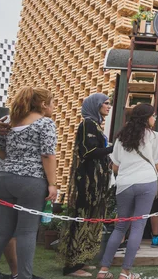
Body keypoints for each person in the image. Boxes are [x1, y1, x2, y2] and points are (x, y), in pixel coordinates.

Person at [0, 87, 58, 279]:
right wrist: (52, 184)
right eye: (52, 102)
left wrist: (14, 160)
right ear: (43, 104)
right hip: (31, 182)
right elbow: (47, 154)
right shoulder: (45, 123)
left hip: (4, 180)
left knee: (1, 231)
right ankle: (24, 276)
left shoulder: (8, 121)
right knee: (27, 232)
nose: (54, 106)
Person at [97, 104, 158, 279]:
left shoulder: (121, 138)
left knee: (120, 226)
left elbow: (115, 167)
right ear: (146, 117)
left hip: (124, 183)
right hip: (146, 182)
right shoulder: (155, 137)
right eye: (153, 115)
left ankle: (103, 270)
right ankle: (125, 272)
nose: (155, 119)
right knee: (137, 226)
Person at [59, 94, 113, 277]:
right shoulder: (88, 124)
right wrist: (114, 148)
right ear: (96, 105)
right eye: (105, 103)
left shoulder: (96, 124)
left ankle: (81, 260)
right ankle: (72, 266)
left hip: (96, 181)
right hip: (87, 181)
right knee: (82, 218)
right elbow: (88, 151)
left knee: (90, 217)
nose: (108, 106)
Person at [0, 117, 18, 279]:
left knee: (4, 230)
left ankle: (17, 272)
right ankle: (17, 273)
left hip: (3, 182)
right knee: (6, 230)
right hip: (1, 183)